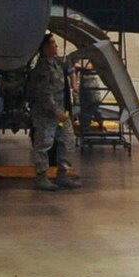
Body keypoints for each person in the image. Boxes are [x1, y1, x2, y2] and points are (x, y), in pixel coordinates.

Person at [26, 36, 80, 191]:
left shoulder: (56, 63)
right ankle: (41, 176)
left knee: (68, 141)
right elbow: (45, 95)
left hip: (61, 113)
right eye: (53, 43)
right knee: (43, 144)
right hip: (47, 114)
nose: (56, 46)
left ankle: (63, 174)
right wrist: (57, 112)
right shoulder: (42, 69)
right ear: (44, 48)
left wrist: (84, 50)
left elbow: (69, 61)